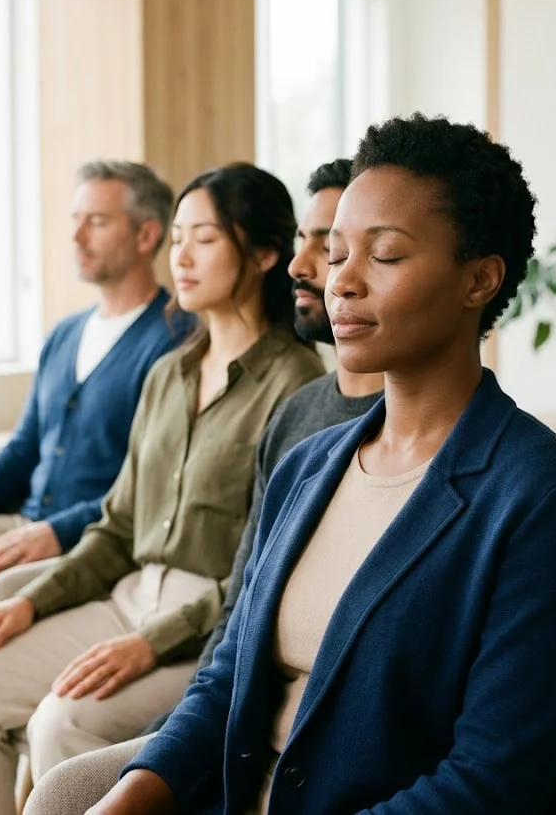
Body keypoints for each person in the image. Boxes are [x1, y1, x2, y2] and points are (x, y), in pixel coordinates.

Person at [82, 114, 556, 815]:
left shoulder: (540, 500)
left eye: (384, 256)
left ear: (478, 280)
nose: (343, 283)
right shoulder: (309, 465)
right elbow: (226, 680)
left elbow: (491, 784)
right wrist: (124, 799)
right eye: (336, 254)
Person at [0, 163, 325, 815]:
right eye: (178, 237)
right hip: (128, 594)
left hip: (206, 625)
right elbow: (118, 524)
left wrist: (149, 644)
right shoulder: (168, 374)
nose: (181, 256)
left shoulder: (298, 388)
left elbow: (264, 580)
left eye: (205, 238)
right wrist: (31, 603)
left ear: (264, 254)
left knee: (64, 721)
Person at [0, 159, 193, 815]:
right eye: (74, 221)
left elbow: (145, 489)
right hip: (22, 521)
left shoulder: (175, 342)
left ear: (146, 236)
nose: (77, 236)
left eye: (97, 220)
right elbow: (24, 450)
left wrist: (53, 532)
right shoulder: (66, 333)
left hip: (88, 533)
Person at [139, 157, 384, 738]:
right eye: (312, 242)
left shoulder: (294, 385)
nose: (306, 266)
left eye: (333, 247)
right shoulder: (298, 416)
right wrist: (183, 738)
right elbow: (245, 602)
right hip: (246, 706)